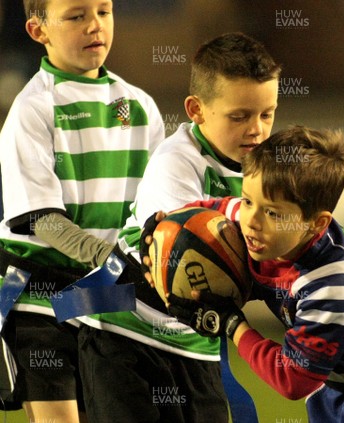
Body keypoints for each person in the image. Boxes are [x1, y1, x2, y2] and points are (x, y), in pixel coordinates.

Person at [142, 126, 344, 422]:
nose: (251, 220)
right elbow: (207, 212)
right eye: (248, 200)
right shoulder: (249, 223)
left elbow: (292, 380)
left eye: (273, 213)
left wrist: (232, 324)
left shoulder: (332, 285)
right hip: (338, 375)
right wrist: (161, 233)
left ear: (316, 223)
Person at [74, 32, 281, 422]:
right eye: (239, 116)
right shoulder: (176, 163)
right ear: (196, 109)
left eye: (267, 114)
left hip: (191, 339)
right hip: (122, 330)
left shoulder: (266, 168)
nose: (257, 130)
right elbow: (193, 251)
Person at [0, 0, 164, 422]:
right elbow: (42, 220)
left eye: (104, 12)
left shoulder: (140, 106)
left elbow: (156, 210)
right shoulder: (31, 110)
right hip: (40, 298)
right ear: (39, 31)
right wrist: (109, 259)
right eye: (76, 16)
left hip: (108, 299)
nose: (95, 26)